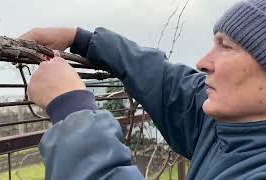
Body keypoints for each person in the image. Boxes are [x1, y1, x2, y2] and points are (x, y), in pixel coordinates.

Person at [20, 0, 266, 179]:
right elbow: (167, 83)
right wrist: (81, 39)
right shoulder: (232, 122)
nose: (202, 63)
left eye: (226, 47)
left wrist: (72, 108)